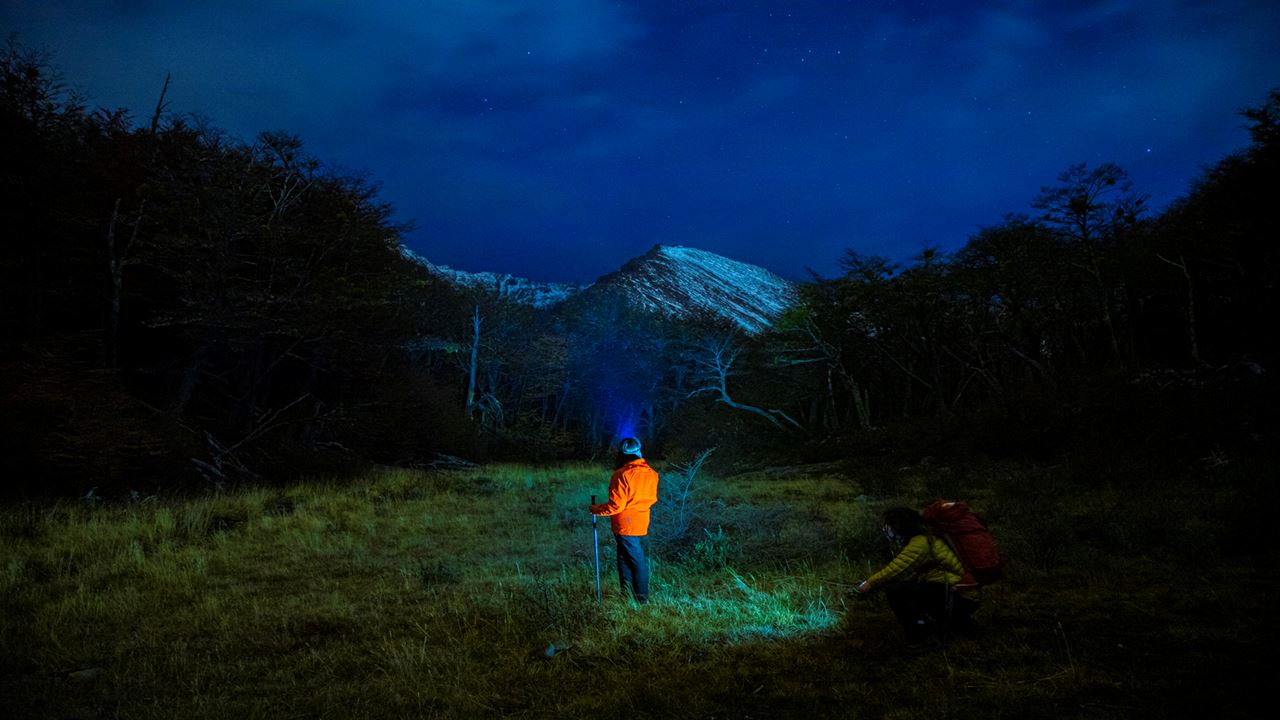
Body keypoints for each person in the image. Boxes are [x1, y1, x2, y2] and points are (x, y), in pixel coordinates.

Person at [855, 507, 980, 650]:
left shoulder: (920, 543)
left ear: (897, 526)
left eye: (887, 526)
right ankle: (960, 623)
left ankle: (924, 635)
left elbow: (895, 569)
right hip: (963, 594)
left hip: (959, 596)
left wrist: (870, 583)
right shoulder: (926, 538)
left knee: (895, 591)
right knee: (912, 588)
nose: (885, 530)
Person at [589, 437, 660, 603]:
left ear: (621, 453)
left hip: (625, 523)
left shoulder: (622, 475)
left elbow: (616, 506)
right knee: (624, 558)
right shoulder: (652, 474)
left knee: (636, 560)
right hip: (641, 521)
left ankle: (642, 600)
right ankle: (626, 595)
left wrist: (595, 510)